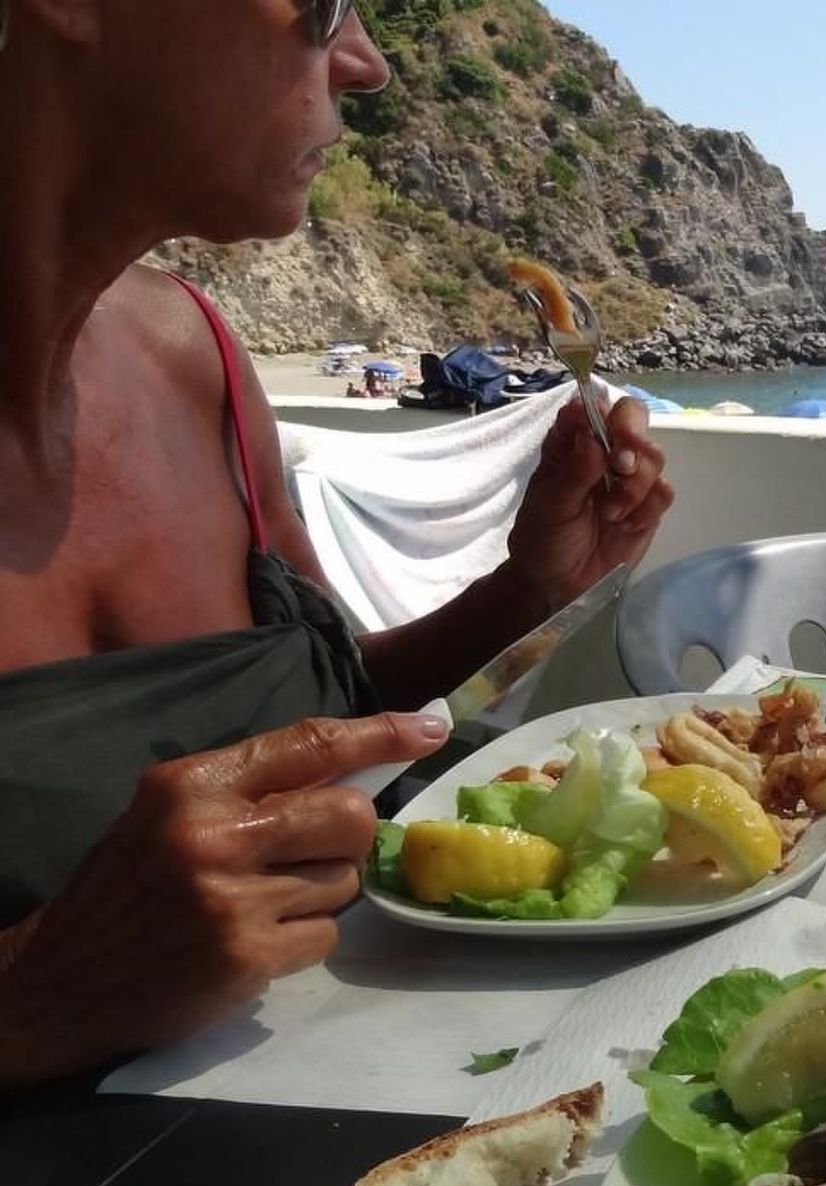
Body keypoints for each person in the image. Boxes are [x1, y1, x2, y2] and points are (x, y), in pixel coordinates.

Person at [0, 0, 677, 1090]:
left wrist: (531, 588)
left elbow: (331, 709)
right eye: (319, 8)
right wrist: (31, 1000)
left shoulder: (199, 362)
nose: (364, 65)